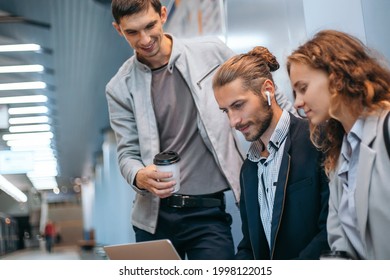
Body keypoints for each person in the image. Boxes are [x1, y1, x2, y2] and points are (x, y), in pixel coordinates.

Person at [105, 0, 294, 260]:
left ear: (162, 15)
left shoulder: (211, 52)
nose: (145, 39)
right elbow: (126, 153)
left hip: (208, 214)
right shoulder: (118, 88)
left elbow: (260, 86)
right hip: (153, 219)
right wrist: (138, 175)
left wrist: (299, 130)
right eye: (132, 32)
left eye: (150, 26)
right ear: (118, 30)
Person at [212, 46, 330, 259]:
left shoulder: (316, 138)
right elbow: (250, 246)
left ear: (268, 89)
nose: (233, 121)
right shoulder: (248, 169)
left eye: (238, 105)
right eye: (226, 111)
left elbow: (331, 230)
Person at [287, 29, 390, 259]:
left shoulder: (386, 128)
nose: (297, 103)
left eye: (303, 88)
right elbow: (342, 245)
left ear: (337, 75)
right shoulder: (339, 155)